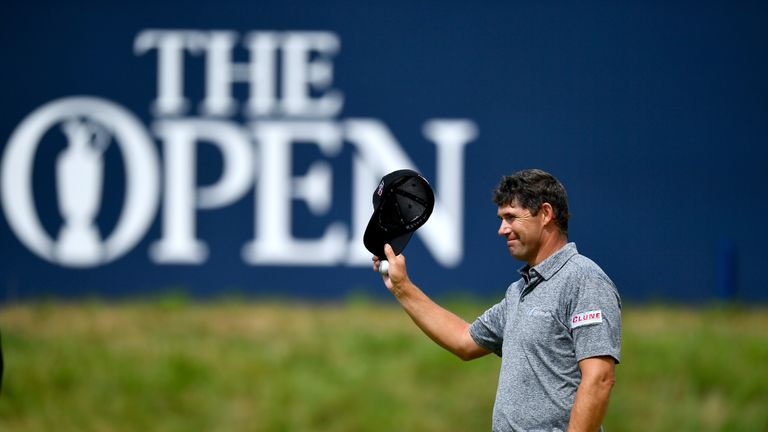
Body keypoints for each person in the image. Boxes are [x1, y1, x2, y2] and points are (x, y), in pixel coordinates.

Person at [372, 169, 621, 432]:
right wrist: (402, 287)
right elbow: (463, 340)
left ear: (546, 214)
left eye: (511, 218)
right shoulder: (519, 292)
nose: (502, 230)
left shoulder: (584, 280)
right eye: (501, 219)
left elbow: (599, 379)